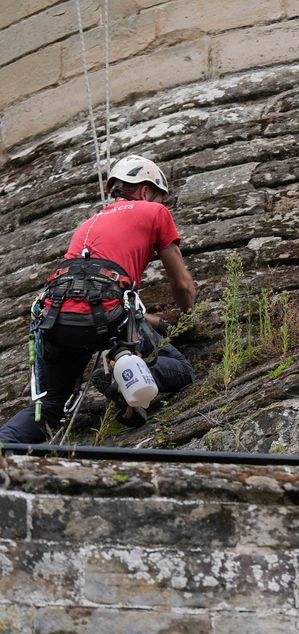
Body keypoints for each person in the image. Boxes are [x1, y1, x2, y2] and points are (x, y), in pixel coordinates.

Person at [0, 155, 196, 444]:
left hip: (55, 316)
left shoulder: (87, 224)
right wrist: (190, 315)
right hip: (107, 313)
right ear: (145, 191)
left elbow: (88, 295)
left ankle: (5, 446)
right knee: (182, 370)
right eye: (158, 197)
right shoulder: (154, 212)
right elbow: (181, 283)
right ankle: (122, 369)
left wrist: (154, 321)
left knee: (51, 407)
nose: (160, 204)